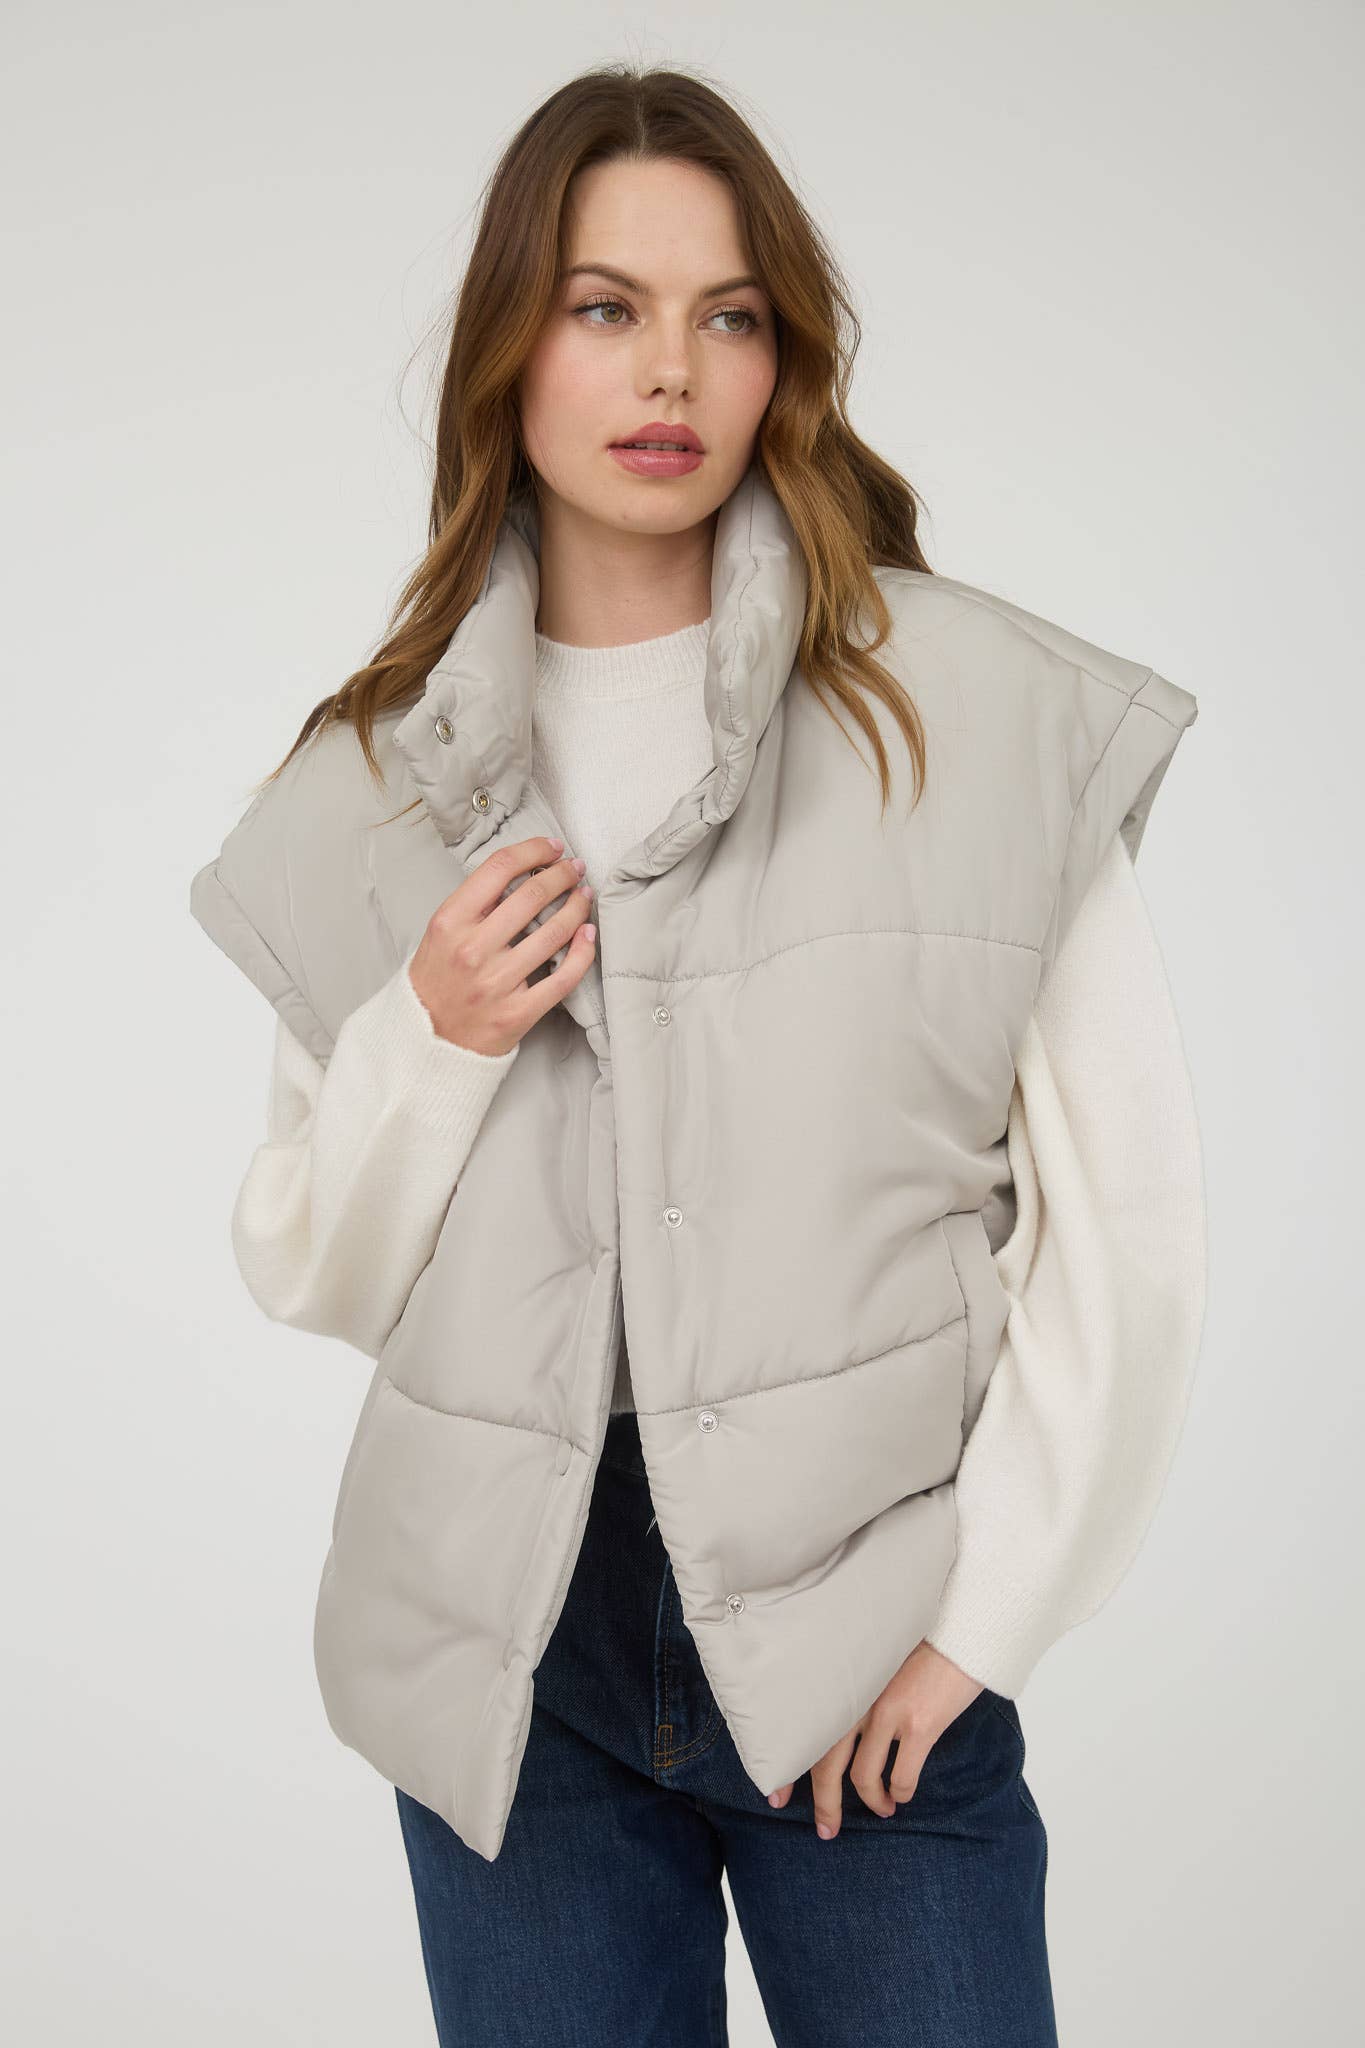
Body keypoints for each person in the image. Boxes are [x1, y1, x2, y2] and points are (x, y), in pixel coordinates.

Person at [195, 64, 1205, 2048]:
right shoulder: (373, 781)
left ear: (778, 360)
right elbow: (312, 1265)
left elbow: (1127, 1231)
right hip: (511, 1662)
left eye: (725, 315)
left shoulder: (972, 712)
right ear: (511, 345)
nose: (669, 369)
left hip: (862, 1617)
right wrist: (434, 1038)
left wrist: (979, 1621)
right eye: (604, 307)